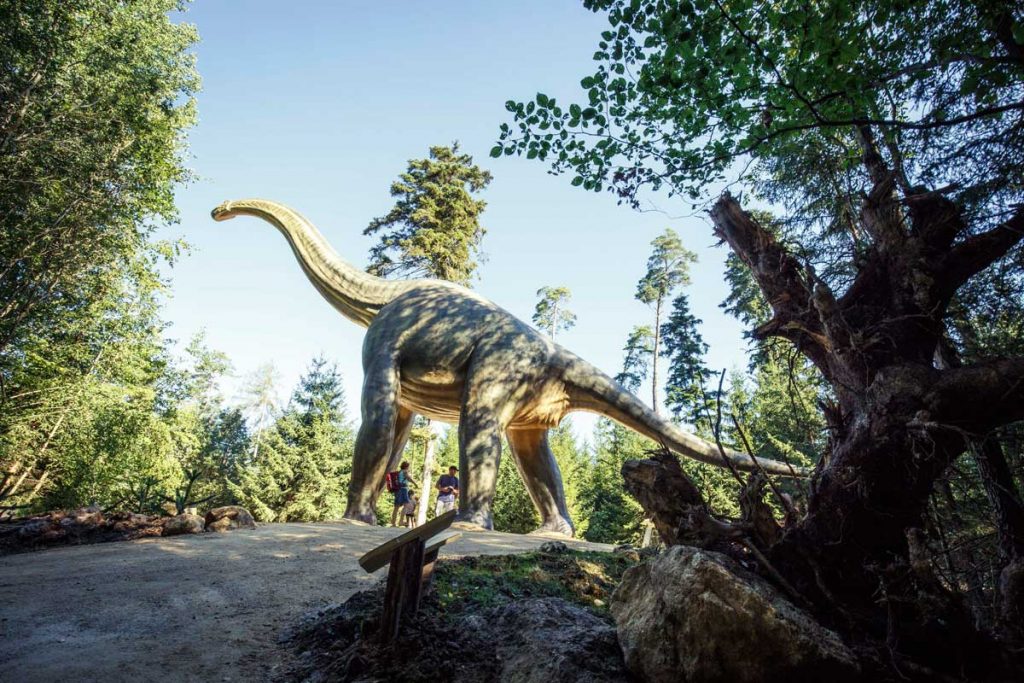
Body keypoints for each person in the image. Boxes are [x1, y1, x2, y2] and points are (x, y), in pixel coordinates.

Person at [390, 461, 415, 527]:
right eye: (408, 466)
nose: (409, 468)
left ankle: (394, 523)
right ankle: (399, 522)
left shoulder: (399, 472)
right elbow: (408, 478)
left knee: (397, 506)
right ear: (406, 466)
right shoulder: (404, 471)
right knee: (405, 505)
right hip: (403, 489)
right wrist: (415, 484)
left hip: (398, 490)